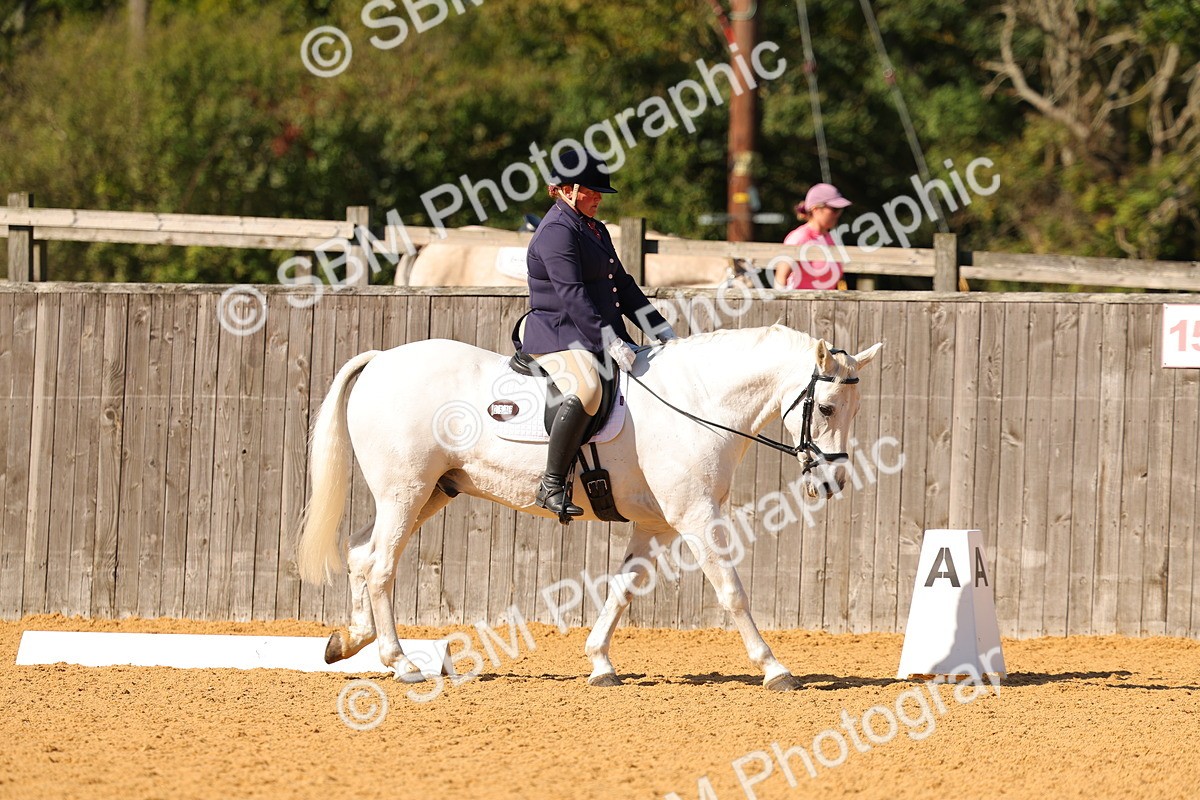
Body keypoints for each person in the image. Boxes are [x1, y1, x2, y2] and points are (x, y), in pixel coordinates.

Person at [522, 148, 677, 517]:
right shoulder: (555, 232)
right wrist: (610, 339)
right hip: (560, 337)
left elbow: (621, 285)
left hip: (596, 333)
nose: (597, 199)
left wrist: (660, 330)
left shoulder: (594, 228)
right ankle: (552, 484)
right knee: (589, 387)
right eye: (591, 192)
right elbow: (573, 295)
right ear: (567, 190)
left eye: (598, 193)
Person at [775, 182, 852, 290]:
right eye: (834, 209)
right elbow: (780, 279)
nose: (838, 214)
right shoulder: (799, 237)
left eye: (840, 210)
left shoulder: (831, 239)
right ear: (815, 209)